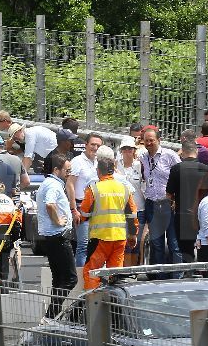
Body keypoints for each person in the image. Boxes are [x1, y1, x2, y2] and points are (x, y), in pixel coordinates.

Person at [79, 154, 138, 289]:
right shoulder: (124, 189)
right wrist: (133, 234)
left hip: (100, 238)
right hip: (119, 238)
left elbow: (84, 214)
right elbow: (132, 214)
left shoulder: (94, 189)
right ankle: (115, 300)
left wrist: (82, 218)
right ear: (113, 170)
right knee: (115, 274)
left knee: (92, 272)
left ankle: (92, 300)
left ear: (98, 171)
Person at [36, 151, 77, 318]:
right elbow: (50, 204)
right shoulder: (53, 185)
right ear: (56, 170)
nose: (69, 174)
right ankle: (51, 315)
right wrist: (58, 221)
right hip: (58, 236)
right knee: (70, 279)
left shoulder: (50, 183)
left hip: (52, 237)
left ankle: (51, 316)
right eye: (67, 170)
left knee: (59, 279)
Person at [139, 126, 180, 265]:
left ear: (159, 140)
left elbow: (181, 176)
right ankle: (160, 275)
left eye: (151, 140)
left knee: (174, 242)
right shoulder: (142, 157)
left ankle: (177, 275)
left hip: (168, 203)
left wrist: (176, 198)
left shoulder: (170, 155)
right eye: (146, 140)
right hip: (152, 204)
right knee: (157, 244)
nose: (149, 143)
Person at [165, 137, 208, 262]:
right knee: (203, 246)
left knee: (184, 250)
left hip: (182, 215)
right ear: (196, 151)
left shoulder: (176, 169)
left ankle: (186, 270)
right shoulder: (206, 170)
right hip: (202, 215)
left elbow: (169, 195)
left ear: (183, 152)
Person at [66, 133, 103, 266]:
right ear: (86, 145)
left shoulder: (99, 162)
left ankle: (92, 274)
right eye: (93, 144)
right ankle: (81, 275)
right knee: (83, 244)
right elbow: (70, 184)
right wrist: (73, 209)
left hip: (97, 208)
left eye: (98, 145)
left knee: (96, 243)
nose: (95, 148)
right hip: (81, 206)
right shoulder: (77, 161)